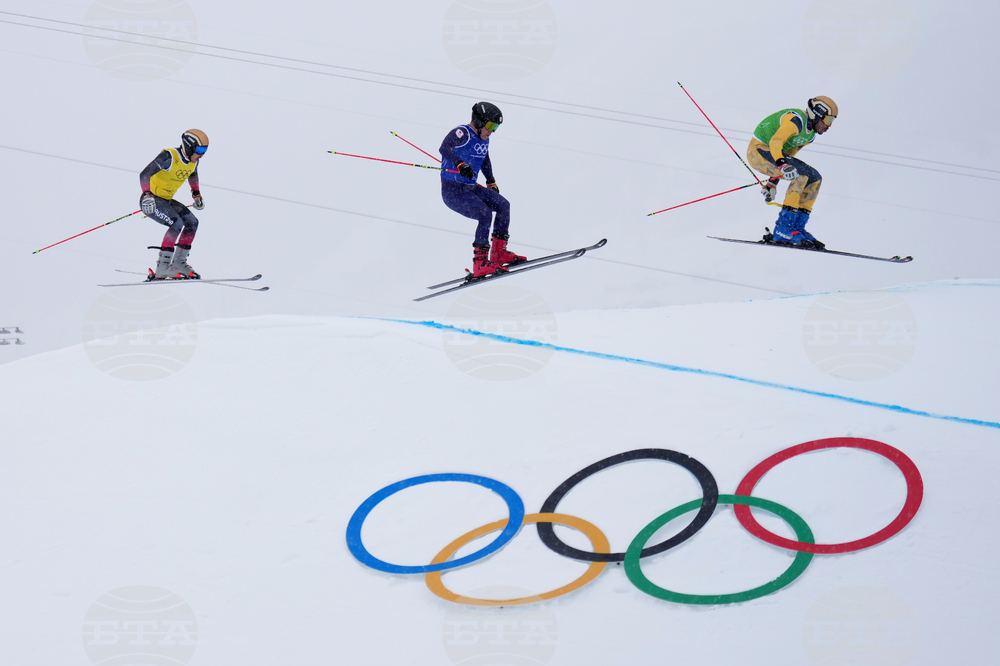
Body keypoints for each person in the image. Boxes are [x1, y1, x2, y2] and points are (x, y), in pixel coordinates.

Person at [440, 102, 526, 277]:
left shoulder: (484, 139)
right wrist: (459, 163)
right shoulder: (462, 132)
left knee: (503, 205)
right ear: (479, 121)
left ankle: (498, 253)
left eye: (495, 127)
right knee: (484, 214)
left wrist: (491, 180)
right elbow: (444, 148)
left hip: (471, 188)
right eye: (490, 126)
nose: (492, 131)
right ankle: (480, 264)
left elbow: (484, 158)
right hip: (453, 191)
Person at [747, 97, 838, 249]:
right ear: (816, 114)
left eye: (832, 121)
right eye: (828, 120)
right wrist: (782, 165)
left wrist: (772, 182)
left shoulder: (810, 135)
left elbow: (788, 154)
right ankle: (783, 228)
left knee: (815, 178)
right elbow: (776, 142)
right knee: (800, 175)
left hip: (774, 156)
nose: (829, 125)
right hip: (758, 151)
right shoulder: (796, 121)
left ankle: (797, 227)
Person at [139, 129, 209, 279]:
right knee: (176, 223)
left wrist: (196, 193)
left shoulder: (193, 162)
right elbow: (144, 174)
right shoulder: (169, 156)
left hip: (167, 201)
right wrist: (147, 194)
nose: (202, 154)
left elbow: (193, 174)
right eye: (200, 149)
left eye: (205, 150)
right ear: (190, 147)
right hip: (151, 201)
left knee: (192, 222)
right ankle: (162, 266)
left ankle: (178, 262)